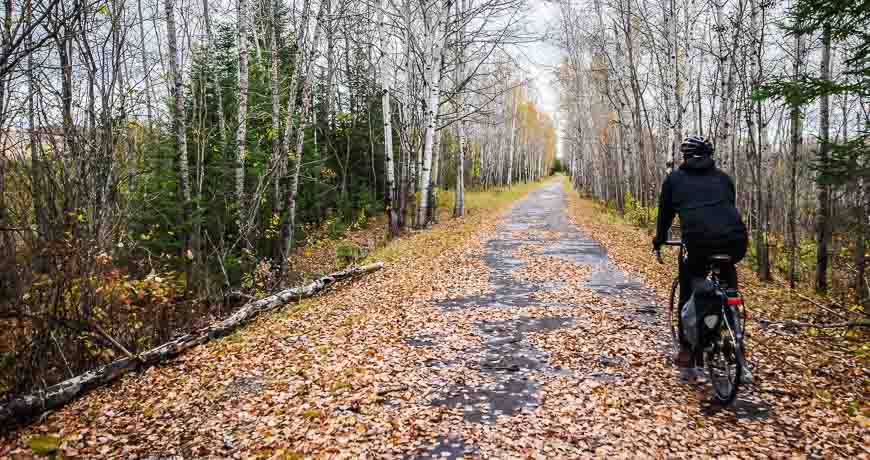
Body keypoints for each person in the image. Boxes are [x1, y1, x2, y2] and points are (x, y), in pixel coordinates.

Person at [653, 135, 748, 368]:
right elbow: (726, 208)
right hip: (735, 241)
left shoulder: (674, 180)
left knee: (688, 286)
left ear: (684, 156)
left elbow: (665, 216)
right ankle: (734, 326)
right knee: (727, 276)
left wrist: (660, 240)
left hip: (697, 244)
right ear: (709, 155)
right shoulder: (724, 179)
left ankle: (686, 349)